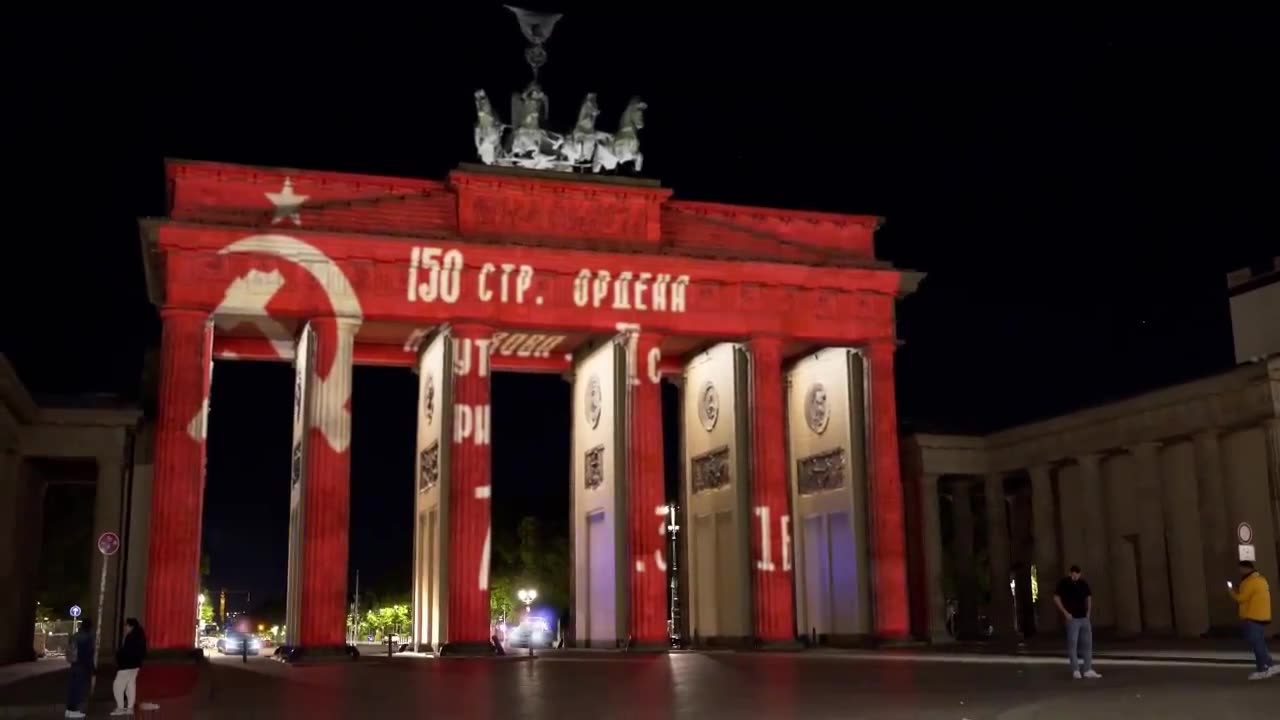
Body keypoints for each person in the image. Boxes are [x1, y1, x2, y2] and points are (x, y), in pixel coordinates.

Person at [1228, 560, 1275, 680]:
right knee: (1259, 643)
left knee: (1256, 644)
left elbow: (1241, 598)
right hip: (1262, 616)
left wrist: (1231, 591)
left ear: (1246, 568)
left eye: (1240, 569)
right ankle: (1269, 665)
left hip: (1252, 616)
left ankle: (1263, 669)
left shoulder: (1250, 581)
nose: (1240, 571)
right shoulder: (1261, 579)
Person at [1054, 565, 1101, 680]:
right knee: (1073, 644)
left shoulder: (1083, 583)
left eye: (1077, 574)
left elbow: (1088, 597)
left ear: (1080, 574)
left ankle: (1087, 669)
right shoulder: (1064, 583)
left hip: (1084, 618)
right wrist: (1065, 612)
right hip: (1072, 618)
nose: (1075, 576)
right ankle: (1076, 670)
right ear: (1070, 573)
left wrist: (1088, 612)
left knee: (1087, 644)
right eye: (1074, 574)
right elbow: (1056, 597)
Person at [112, 618, 146, 715]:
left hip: (126, 665)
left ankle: (120, 708)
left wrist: (119, 655)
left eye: (126, 625)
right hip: (135, 665)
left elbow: (127, 651)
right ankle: (130, 708)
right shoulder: (140, 635)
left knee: (118, 685)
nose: (125, 627)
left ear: (131, 626)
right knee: (131, 685)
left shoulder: (131, 637)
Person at [65, 617, 94, 719]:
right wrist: (92, 668)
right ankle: (74, 711)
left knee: (72, 689)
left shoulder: (75, 636)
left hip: (74, 664)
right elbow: (88, 655)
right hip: (82, 666)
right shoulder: (87, 637)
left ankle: (69, 710)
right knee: (79, 689)